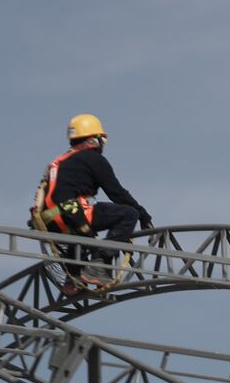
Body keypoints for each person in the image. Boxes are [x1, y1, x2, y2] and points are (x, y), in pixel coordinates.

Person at [31, 113, 154, 293]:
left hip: (51, 221)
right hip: (71, 212)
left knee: (79, 232)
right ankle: (99, 263)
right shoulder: (92, 159)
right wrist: (142, 214)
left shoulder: (58, 162)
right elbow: (117, 193)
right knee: (128, 214)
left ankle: (72, 279)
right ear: (95, 139)